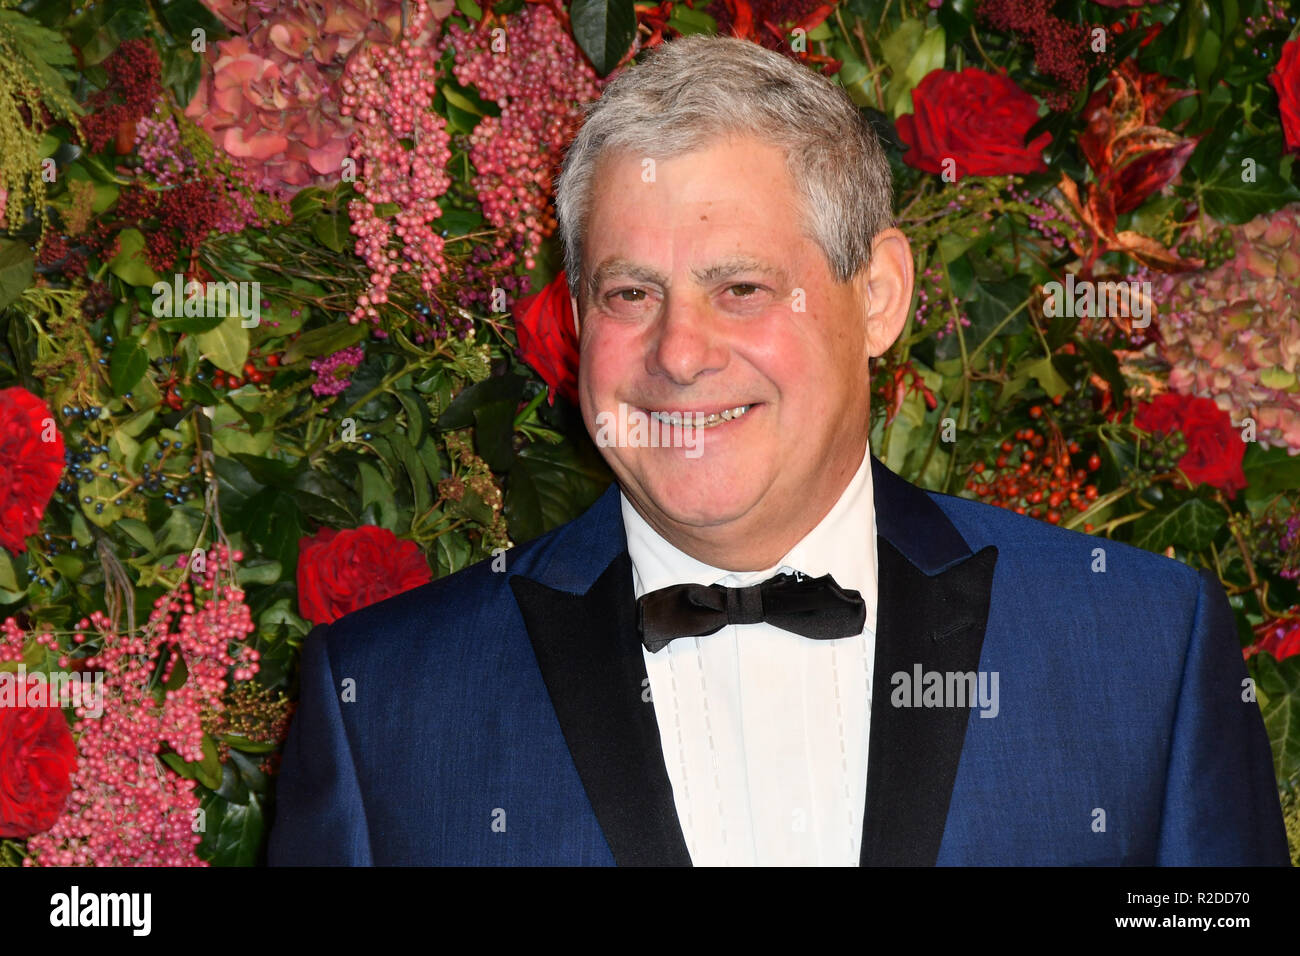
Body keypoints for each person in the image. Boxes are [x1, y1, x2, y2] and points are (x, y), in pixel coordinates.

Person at [268, 34, 1289, 866]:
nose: (677, 351)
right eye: (631, 293)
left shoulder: (1139, 649)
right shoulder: (384, 703)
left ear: (878, 295)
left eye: (740, 288)